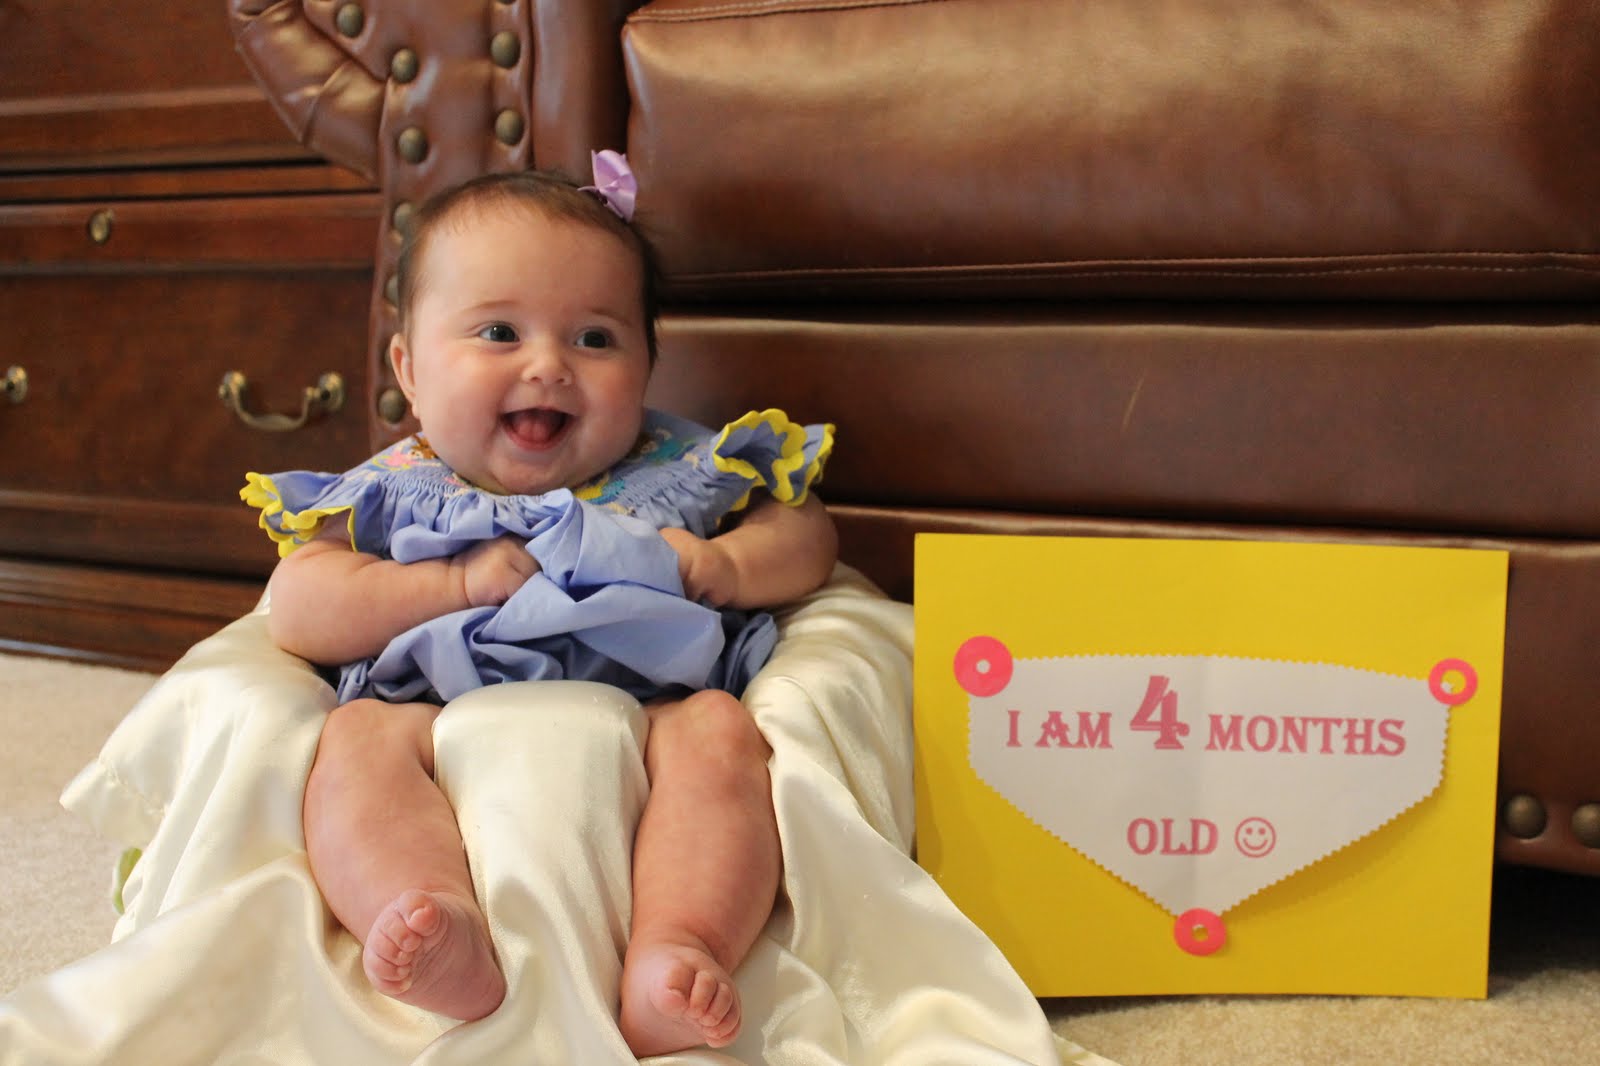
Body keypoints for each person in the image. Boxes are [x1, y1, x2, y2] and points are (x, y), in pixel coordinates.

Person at [241, 154, 838, 1057]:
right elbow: (298, 603)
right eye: (498, 332)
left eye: (595, 338)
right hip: (434, 713)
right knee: (354, 745)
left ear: (647, 364)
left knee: (719, 736)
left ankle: (681, 944)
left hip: (651, 704)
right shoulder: (398, 487)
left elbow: (806, 534)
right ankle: (430, 915)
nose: (549, 366)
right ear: (410, 367)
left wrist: (723, 565)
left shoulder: (673, 472)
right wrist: (446, 586)